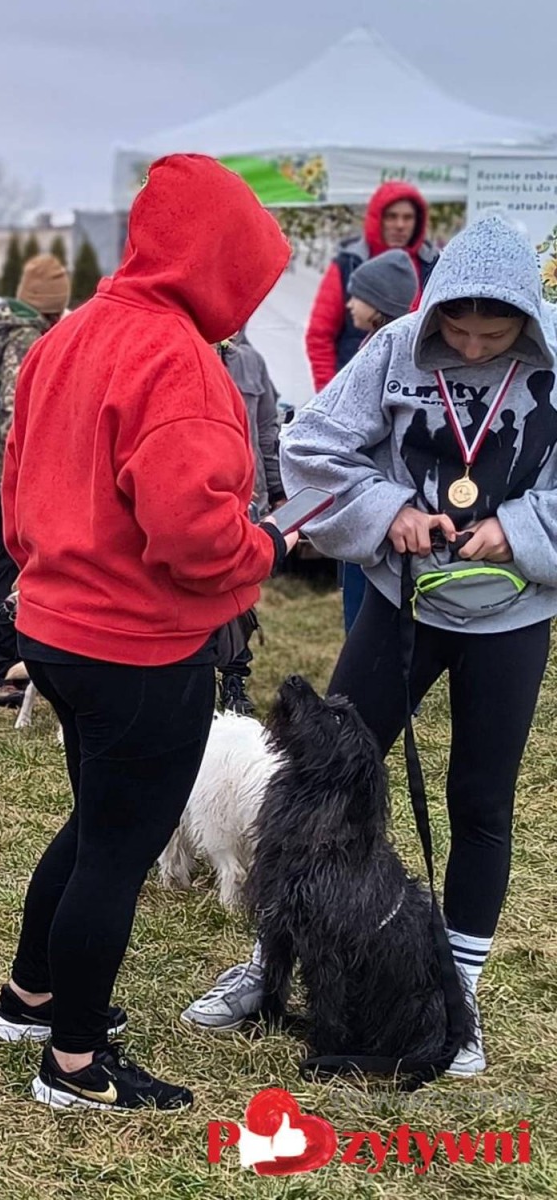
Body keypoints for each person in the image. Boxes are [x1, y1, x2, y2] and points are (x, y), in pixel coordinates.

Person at [187, 214, 557, 1081]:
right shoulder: (396, 347)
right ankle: (271, 964)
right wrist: (391, 510)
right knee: (312, 784)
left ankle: (454, 999)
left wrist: (516, 528)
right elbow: (311, 442)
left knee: (482, 802)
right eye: (454, 328)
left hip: (509, 618)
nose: (469, 344)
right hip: (401, 606)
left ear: (526, 320)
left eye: (491, 331)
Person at [0, 155, 294, 1111]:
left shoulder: (70, 335)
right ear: (215, 263)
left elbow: (16, 481)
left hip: (55, 626)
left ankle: (30, 998)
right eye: (245, 278)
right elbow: (193, 534)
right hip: (140, 644)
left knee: (95, 824)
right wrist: (264, 547)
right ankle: (75, 1065)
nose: (245, 304)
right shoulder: (182, 363)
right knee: (120, 849)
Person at [0, 267, 60, 706]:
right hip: (8, 477)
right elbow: (13, 414)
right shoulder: (25, 337)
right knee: (11, 575)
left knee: (3, 571)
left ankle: (4, 666)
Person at [332, 248, 422, 630]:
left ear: (380, 302)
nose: (350, 304)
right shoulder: (369, 345)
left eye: (359, 296)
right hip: (365, 504)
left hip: (381, 507)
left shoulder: (394, 355)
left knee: (366, 606)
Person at [213, 331, 285, 715]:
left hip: (249, 501)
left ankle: (235, 679)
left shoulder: (252, 362)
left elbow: (267, 429)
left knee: (240, 595)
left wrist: (276, 491)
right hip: (206, 496)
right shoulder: (184, 350)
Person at [306, 181, 436, 392]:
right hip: (353, 386)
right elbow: (320, 335)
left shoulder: (432, 264)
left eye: (408, 217)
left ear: (418, 222)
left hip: (415, 389)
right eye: (392, 216)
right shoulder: (349, 263)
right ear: (378, 218)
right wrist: (329, 393)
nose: (400, 225)